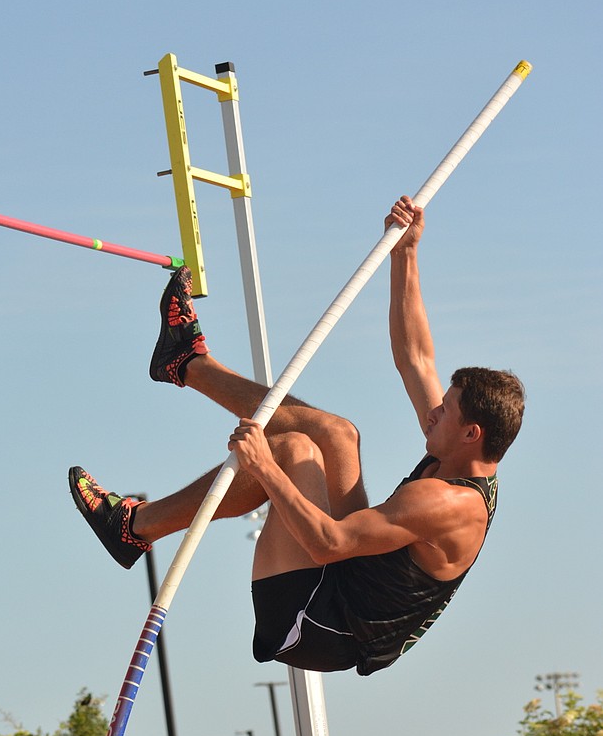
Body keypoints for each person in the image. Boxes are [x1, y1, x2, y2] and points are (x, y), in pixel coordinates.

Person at [69, 197, 525, 676]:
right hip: (346, 572)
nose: (431, 415)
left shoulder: (448, 503)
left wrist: (263, 466)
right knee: (336, 432)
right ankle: (185, 363)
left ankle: (134, 527)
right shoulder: (459, 454)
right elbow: (416, 358)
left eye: (444, 412)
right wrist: (405, 252)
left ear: (471, 433)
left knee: (289, 452)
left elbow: (329, 542)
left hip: (318, 626)